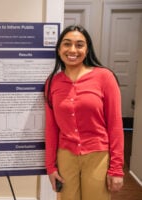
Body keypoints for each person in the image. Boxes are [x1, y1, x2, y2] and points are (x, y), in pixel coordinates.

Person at [44, 25, 124, 200]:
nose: (72, 50)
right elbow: (51, 129)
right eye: (67, 44)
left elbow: (115, 125)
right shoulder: (52, 83)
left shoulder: (105, 77)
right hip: (65, 155)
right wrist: (50, 167)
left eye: (79, 45)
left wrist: (116, 168)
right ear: (59, 49)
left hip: (98, 155)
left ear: (87, 50)